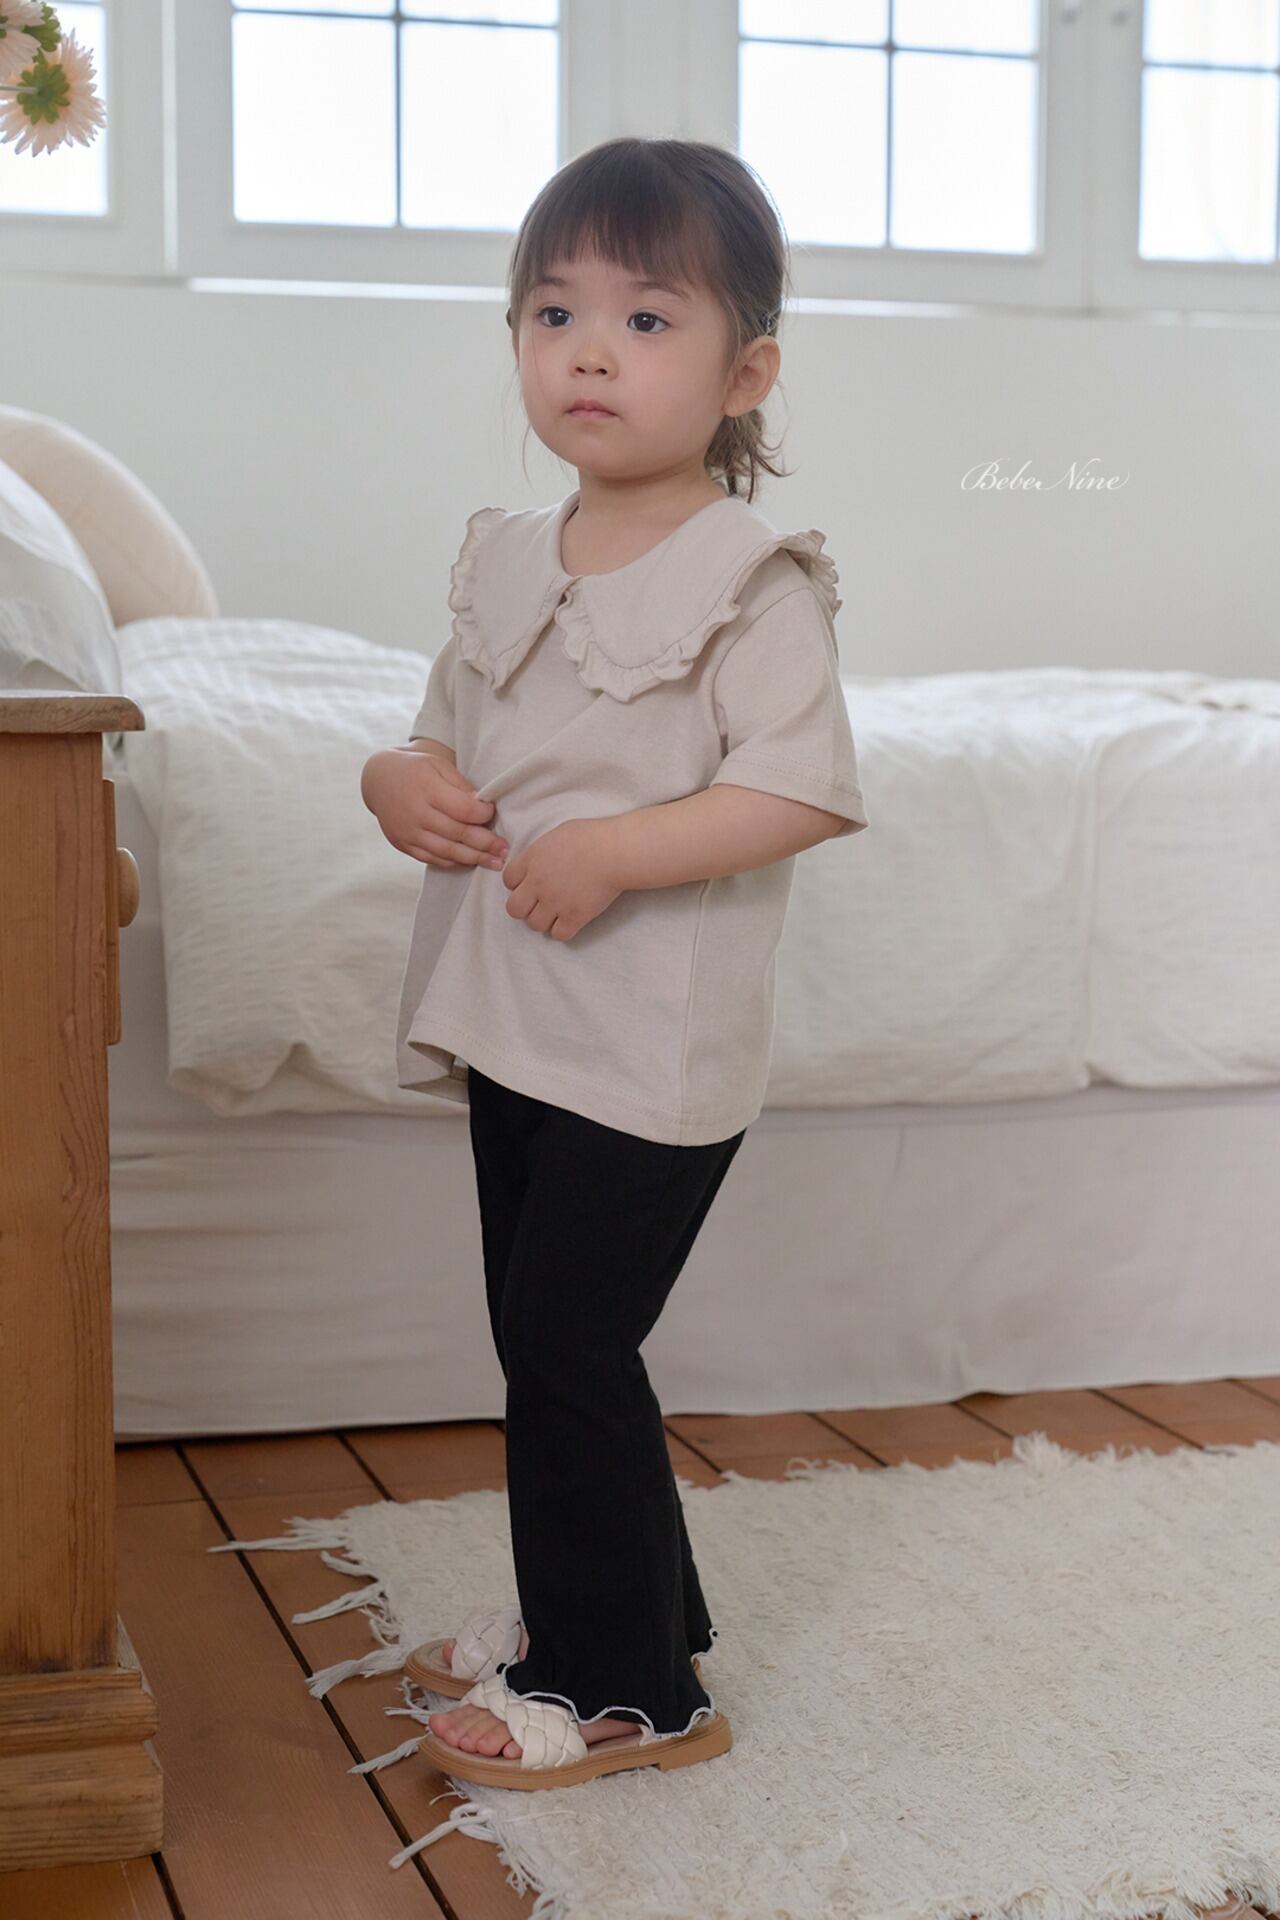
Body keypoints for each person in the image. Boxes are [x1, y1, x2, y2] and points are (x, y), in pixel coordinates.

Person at [360, 135, 869, 1791]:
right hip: (519, 1013)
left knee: (572, 1341)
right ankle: (631, 1615)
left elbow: (802, 788)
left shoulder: (750, 582)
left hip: (650, 1044)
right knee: (546, 1337)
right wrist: (397, 782)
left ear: (745, 374)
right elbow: (438, 733)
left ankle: (624, 1694)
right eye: (554, 312)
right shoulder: (509, 554)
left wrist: (618, 849)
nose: (589, 350)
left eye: (648, 320)